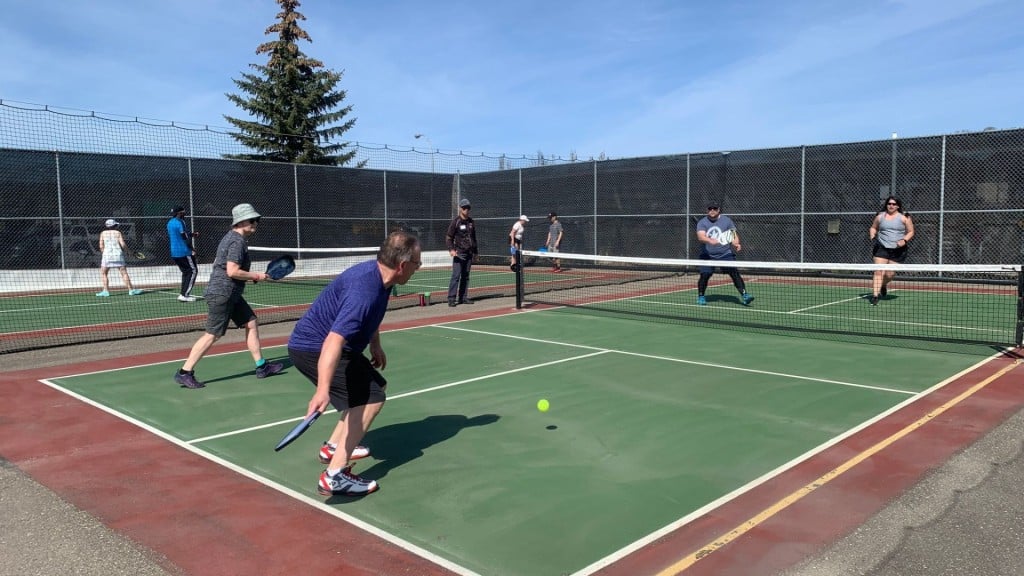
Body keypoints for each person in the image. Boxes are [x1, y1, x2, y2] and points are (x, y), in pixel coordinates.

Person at [287, 230, 423, 496]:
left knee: (372, 387)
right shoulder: (365, 291)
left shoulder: (381, 277)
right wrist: (323, 389)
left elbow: (371, 315)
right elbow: (333, 342)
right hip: (314, 348)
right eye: (417, 264)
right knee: (372, 398)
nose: (418, 269)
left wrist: (375, 343)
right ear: (402, 265)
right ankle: (334, 476)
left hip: (324, 346)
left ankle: (333, 447)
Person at [173, 203, 283, 389]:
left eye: (256, 220)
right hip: (222, 293)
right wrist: (255, 275)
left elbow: (228, 269)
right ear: (241, 222)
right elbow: (232, 271)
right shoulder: (236, 241)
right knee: (212, 334)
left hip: (231, 293)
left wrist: (250, 277)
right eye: (252, 220)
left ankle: (262, 367)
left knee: (251, 322)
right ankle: (185, 372)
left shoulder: (233, 238)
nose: (256, 223)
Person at [695, 204, 753, 306]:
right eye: (710, 208)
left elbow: (733, 234)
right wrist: (710, 240)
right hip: (707, 255)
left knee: (734, 273)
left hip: (725, 254)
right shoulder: (702, 222)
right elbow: (701, 237)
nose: (712, 210)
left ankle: (745, 295)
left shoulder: (727, 221)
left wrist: (736, 243)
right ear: (707, 210)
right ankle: (701, 296)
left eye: (714, 208)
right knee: (705, 275)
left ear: (719, 210)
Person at [868, 195, 914, 306]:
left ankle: (883, 285)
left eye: (894, 204)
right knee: (879, 271)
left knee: (890, 274)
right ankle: (875, 295)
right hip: (881, 247)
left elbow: (911, 231)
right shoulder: (880, 216)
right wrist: (872, 234)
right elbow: (873, 227)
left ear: (898, 206)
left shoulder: (904, 217)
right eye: (889, 204)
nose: (891, 206)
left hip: (898, 250)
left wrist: (904, 240)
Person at [96, 219, 142, 297]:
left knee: (104, 273)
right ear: (114, 225)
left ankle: (105, 291)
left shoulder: (103, 233)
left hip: (106, 256)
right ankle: (131, 290)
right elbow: (123, 244)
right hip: (118, 255)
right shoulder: (118, 233)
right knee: (124, 273)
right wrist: (128, 252)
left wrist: (104, 253)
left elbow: (101, 246)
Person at [445, 198, 478, 307]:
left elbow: (473, 238)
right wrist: (451, 250)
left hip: (469, 253)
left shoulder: (471, 222)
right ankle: (451, 298)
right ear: (460, 209)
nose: (466, 210)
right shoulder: (456, 222)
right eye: (464, 208)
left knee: (466, 276)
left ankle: (463, 297)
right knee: (456, 276)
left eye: (468, 208)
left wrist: (476, 252)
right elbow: (449, 237)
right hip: (459, 254)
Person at [167, 206, 200, 302]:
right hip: (184, 252)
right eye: (183, 212)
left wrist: (192, 234)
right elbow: (184, 237)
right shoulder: (180, 222)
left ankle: (183, 293)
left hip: (174, 252)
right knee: (193, 271)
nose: (184, 214)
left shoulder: (170, 223)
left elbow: (180, 235)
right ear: (179, 213)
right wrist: (192, 249)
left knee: (186, 272)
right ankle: (184, 295)